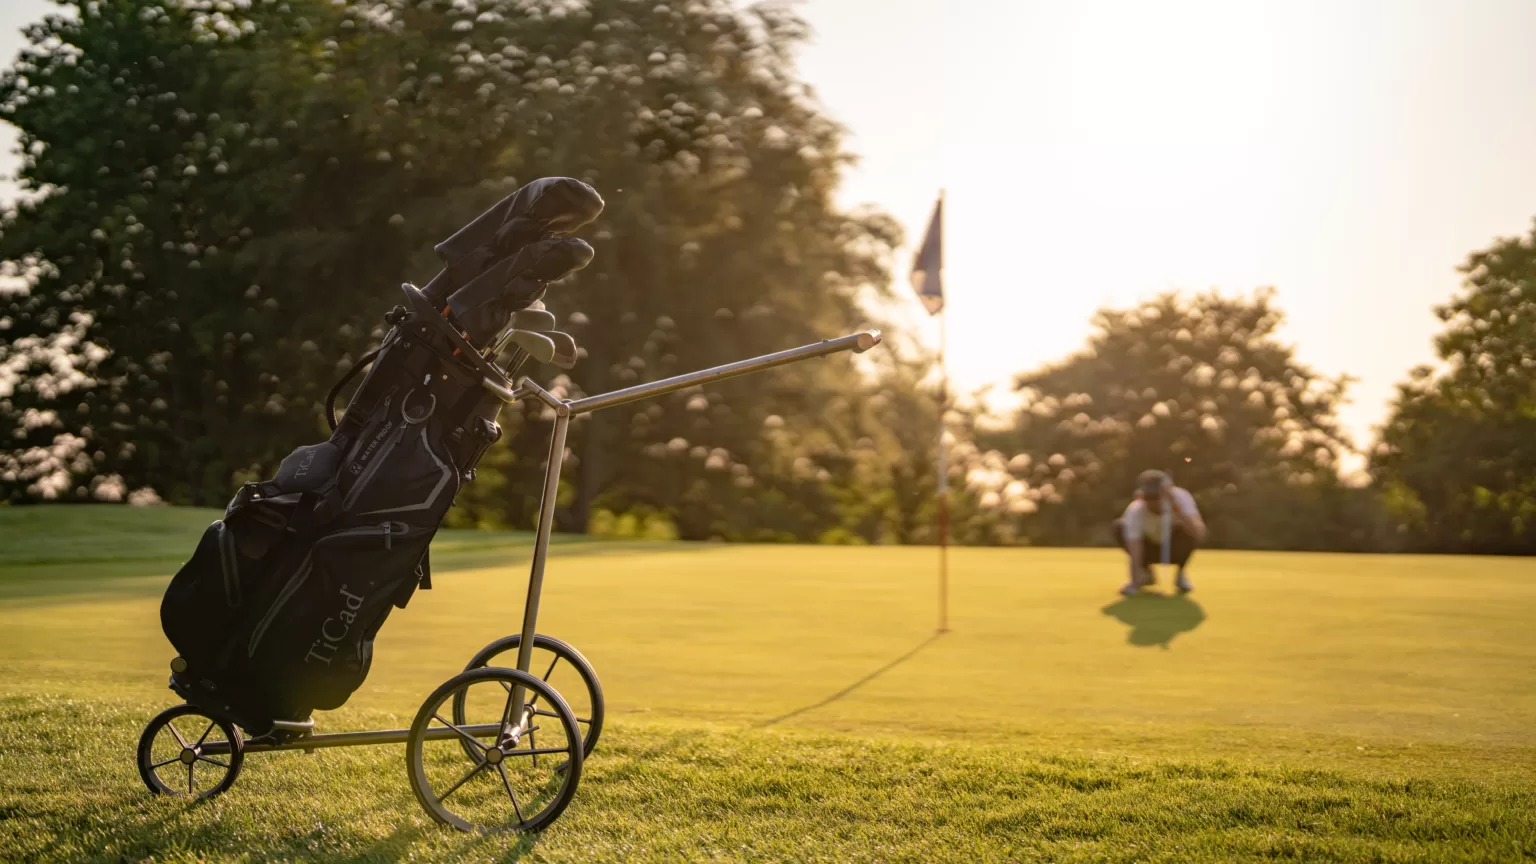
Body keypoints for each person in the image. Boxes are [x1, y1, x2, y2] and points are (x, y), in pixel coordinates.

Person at [1113, 469, 1205, 596]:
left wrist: (1177, 509)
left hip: (1175, 547)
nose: (1153, 502)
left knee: (1188, 531)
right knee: (1119, 527)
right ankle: (1145, 573)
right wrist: (1134, 584)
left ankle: (1180, 574)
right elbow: (1135, 550)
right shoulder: (1135, 511)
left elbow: (1198, 532)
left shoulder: (1181, 498)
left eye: (1156, 497)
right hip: (1149, 548)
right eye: (1148, 497)